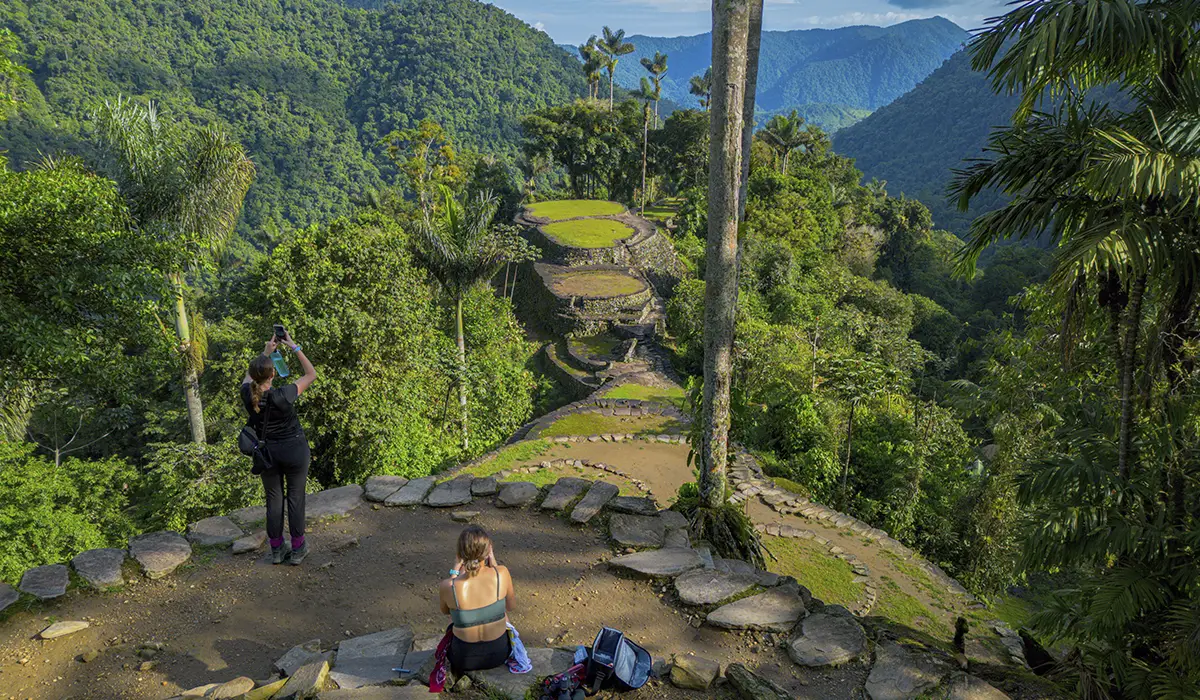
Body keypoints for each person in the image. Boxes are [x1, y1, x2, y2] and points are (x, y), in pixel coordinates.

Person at [241, 330, 317, 565]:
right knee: (295, 497)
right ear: (273, 373)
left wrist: (265, 353)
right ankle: (297, 549)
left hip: (267, 454)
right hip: (294, 450)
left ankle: (276, 549)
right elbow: (311, 374)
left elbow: (249, 378)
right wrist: (293, 346)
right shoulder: (283, 395)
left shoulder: (247, 394)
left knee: (274, 499)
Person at [438, 526, 517, 676]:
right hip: (499, 655)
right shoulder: (502, 573)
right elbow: (511, 606)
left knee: (456, 613)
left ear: (459, 554)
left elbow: (445, 611)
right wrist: (493, 560)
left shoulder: (448, 586)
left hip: (462, 659)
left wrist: (455, 569)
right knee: (502, 612)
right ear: (488, 550)